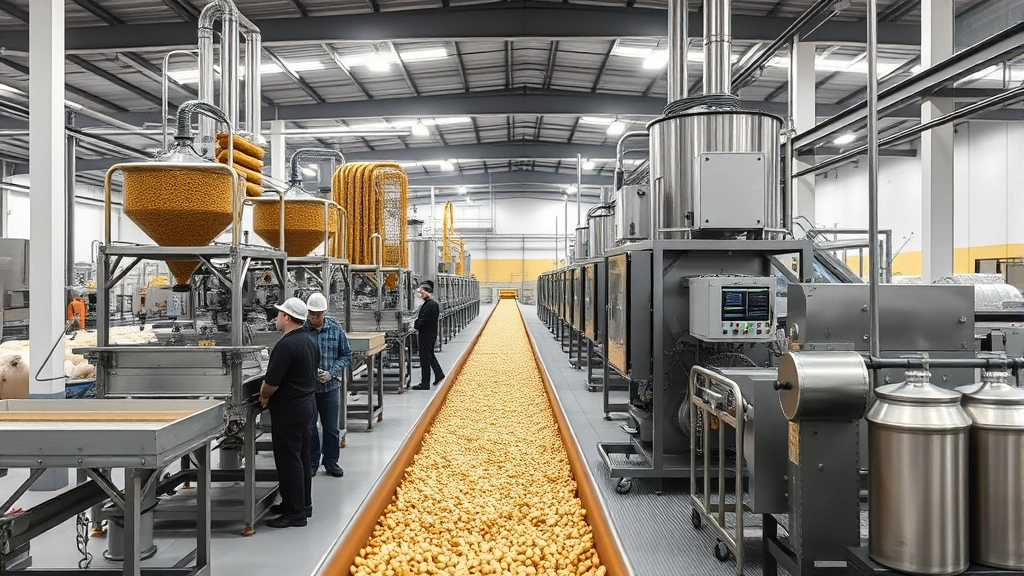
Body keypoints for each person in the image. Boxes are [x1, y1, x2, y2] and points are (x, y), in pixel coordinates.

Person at [258, 297, 318, 528]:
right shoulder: (309, 340)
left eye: (279, 314)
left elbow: (272, 382)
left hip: (289, 409)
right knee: (301, 457)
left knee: (288, 460)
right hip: (306, 405)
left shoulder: (285, 345)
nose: (276, 318)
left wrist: (264, 395)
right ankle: (303, 504)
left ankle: (295, 515)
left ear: (287, 317)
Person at [304, 292, 352, 478]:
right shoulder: (302, 330)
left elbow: (346, 354)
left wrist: (331, 372)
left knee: (331, 427)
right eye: (311, 314)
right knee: (310, 427)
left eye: (318, 314)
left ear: (325, 312)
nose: (314, 318)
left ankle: (331, 462)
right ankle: (312, 462)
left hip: (330, 386)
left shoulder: (335, 328)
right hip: (309, 388)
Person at [413, 283, 444, 391]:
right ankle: (439, 374)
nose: (420, 295)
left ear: (427, 291)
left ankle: (425, 383)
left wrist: (415, 324)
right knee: (430, 356)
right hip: (431, 334)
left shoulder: (429, 305)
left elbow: (422, 320)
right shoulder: (432, 304)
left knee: (424, 359)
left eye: (422, 292)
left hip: (426, 335)